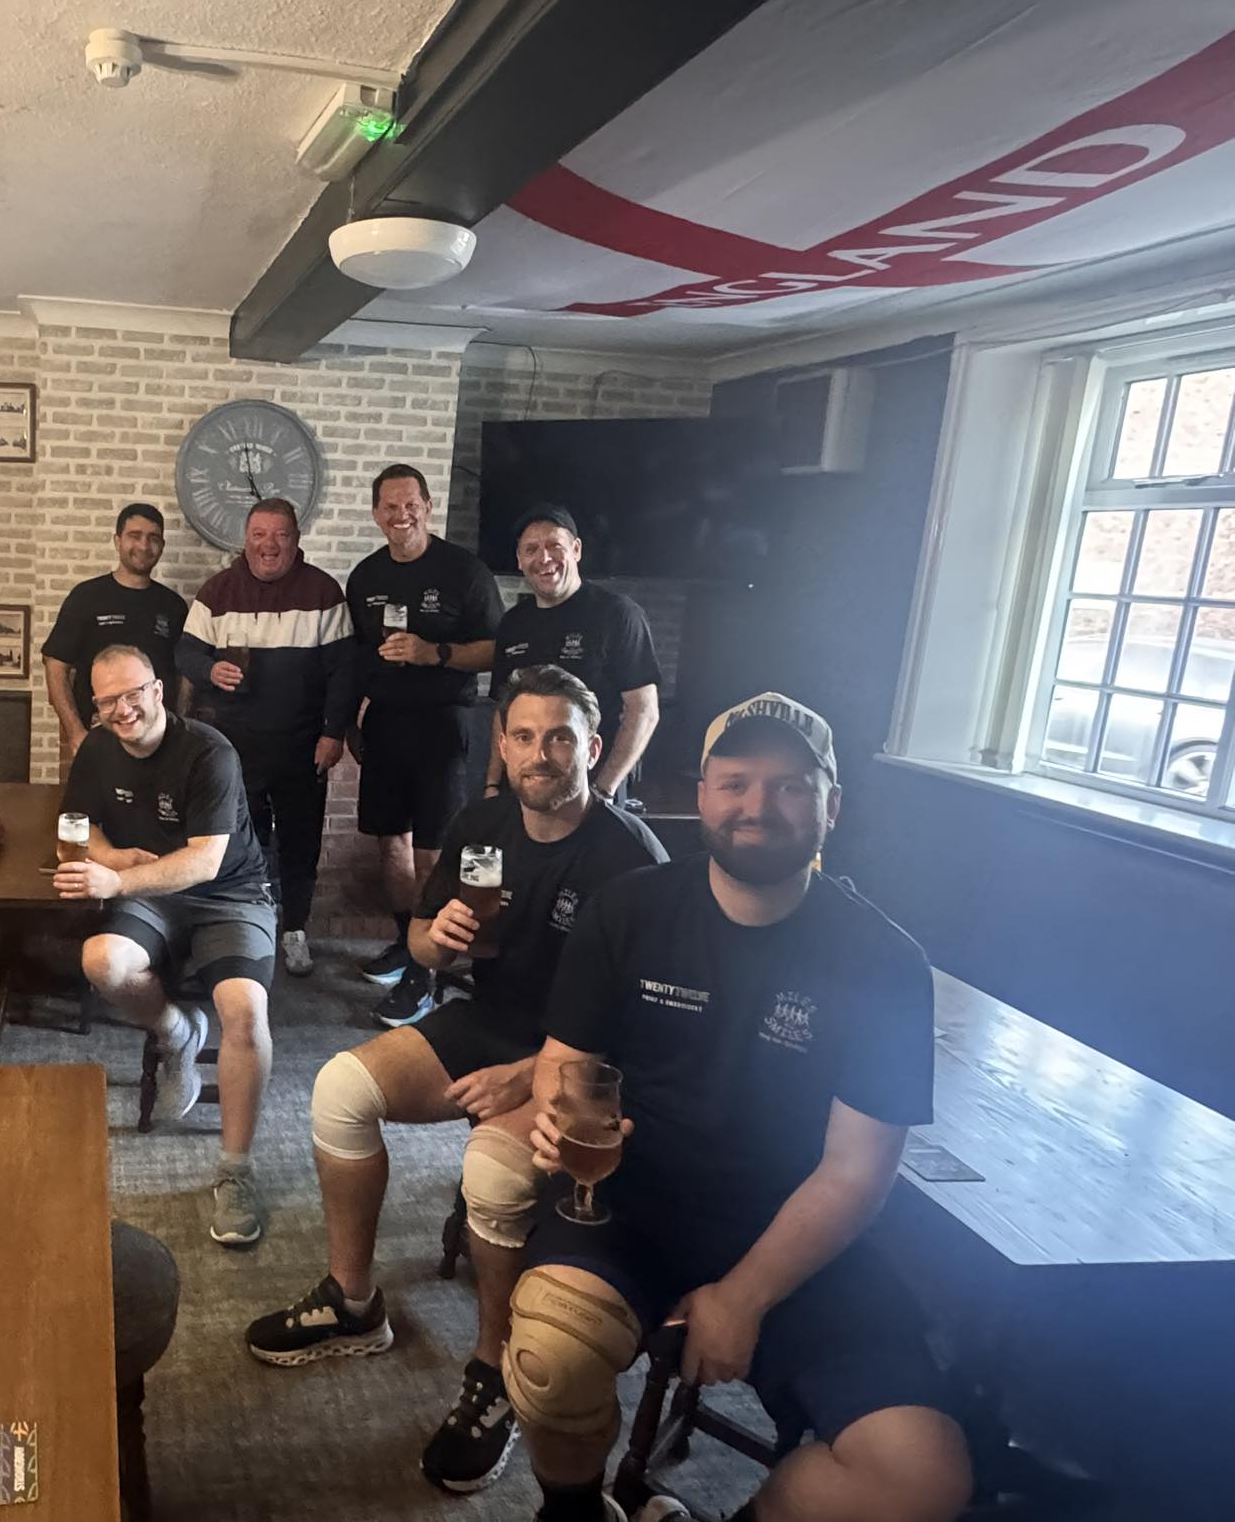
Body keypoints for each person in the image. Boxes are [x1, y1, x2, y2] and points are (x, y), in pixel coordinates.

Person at [504, 694, 971, 1522]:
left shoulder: (885, 961)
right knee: (548, 1352)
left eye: (790, 786)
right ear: (703, 794)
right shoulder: (630, 910)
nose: (759, 805)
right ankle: (572, 1512)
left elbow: (856, 1172)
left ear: (832, 805)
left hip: (798, 1238)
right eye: (736, 782)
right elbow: (564, 1065)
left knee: (919, 1476)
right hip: (630, 1204)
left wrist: (744, 1296)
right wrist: (558, 1112)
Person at [242, 666, 666, 1496]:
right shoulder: (482, 822)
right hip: (490, 1019)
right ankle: (354, 1303)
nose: (540, 754)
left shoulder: (632, 858)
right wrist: (437, 941)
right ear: (500, 743)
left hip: (580, 1059)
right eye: (524, 736)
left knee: (491, 1171)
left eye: (560, 737)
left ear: (593, 746)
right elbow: (421, 939)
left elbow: (646, 1027)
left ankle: (494, 1368)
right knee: (339, 1089)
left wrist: (530, 1074)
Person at [55, 645, 278, 1249]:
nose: (122, 709)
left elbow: (205, 862)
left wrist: (117, 881)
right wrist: (110, 857)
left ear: (158, 690)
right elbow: (75, 826)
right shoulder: (98, 748)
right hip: (152, 889)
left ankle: (235, 1172)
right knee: (102, 960)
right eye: (107, 700)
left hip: (229, 894)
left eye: (133, 693)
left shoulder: (209, 751)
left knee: (244, 1009)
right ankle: (176, 1032)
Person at [345, 462, 504, 1022]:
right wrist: (349, 721)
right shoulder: (364, 576)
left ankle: (425, 971)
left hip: (445, 724)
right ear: (375, 513)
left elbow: (496, 649)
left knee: (433, 850)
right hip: (386, 723)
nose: (401, 515)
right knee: (390, 842)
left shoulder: (465, 571)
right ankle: (405, 940)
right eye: (389, 506)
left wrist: (433, 653)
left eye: (410, 504)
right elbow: (357, 655)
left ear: (428, 506)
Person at [177, 497, 357, 978]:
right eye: (259, 534)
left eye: (280, 534)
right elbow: (185, 652)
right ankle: (246, 925)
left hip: (303, 746)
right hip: (234, 750)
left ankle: (294, 929)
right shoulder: (218, 590)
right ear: (246, 539)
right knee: (241, 842)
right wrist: (210, 669)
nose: (269, 545)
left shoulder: (323, 591)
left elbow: (344, 671)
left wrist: (333, 733)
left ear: (296, 540)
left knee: (300, 843)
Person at [488, 507, 662, 804]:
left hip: (590, 790)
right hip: (523, 788)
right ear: (519, 560)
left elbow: (643, 711)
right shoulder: (513, 623)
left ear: (576, 549)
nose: (544, 558)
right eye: (531, 549)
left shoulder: (618, 614)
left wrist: (604, 790)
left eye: (554, 546)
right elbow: (502, 714)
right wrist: (493, 783)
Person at [43, 503, 186, 762]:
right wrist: (75, 733)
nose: (144, 546)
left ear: (162, 546)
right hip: (98, 735)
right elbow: (55, 666)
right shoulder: (86, 596)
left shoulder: (173, 606)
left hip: (157, 742)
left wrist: (180, 730)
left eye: (153, 538)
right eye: (134, 536)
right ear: (117, 541)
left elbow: (183, 675)